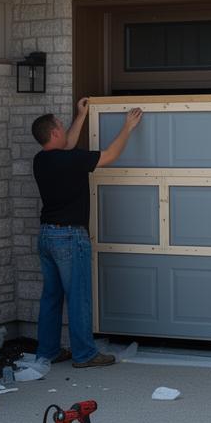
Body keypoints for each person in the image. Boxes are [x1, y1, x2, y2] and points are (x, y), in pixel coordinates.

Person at [30, 100, 143, 368]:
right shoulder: (71, 159)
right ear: (54, 133)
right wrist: (128, 126)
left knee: (51, 296)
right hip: (70, 237)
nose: (63, 128)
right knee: (78, 296)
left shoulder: (41, 160)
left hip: (47, 236)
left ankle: (48, 352)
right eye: (61, 125)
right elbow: (110, 155)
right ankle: (85, 354)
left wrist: (81, 116)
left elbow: (68, 144)